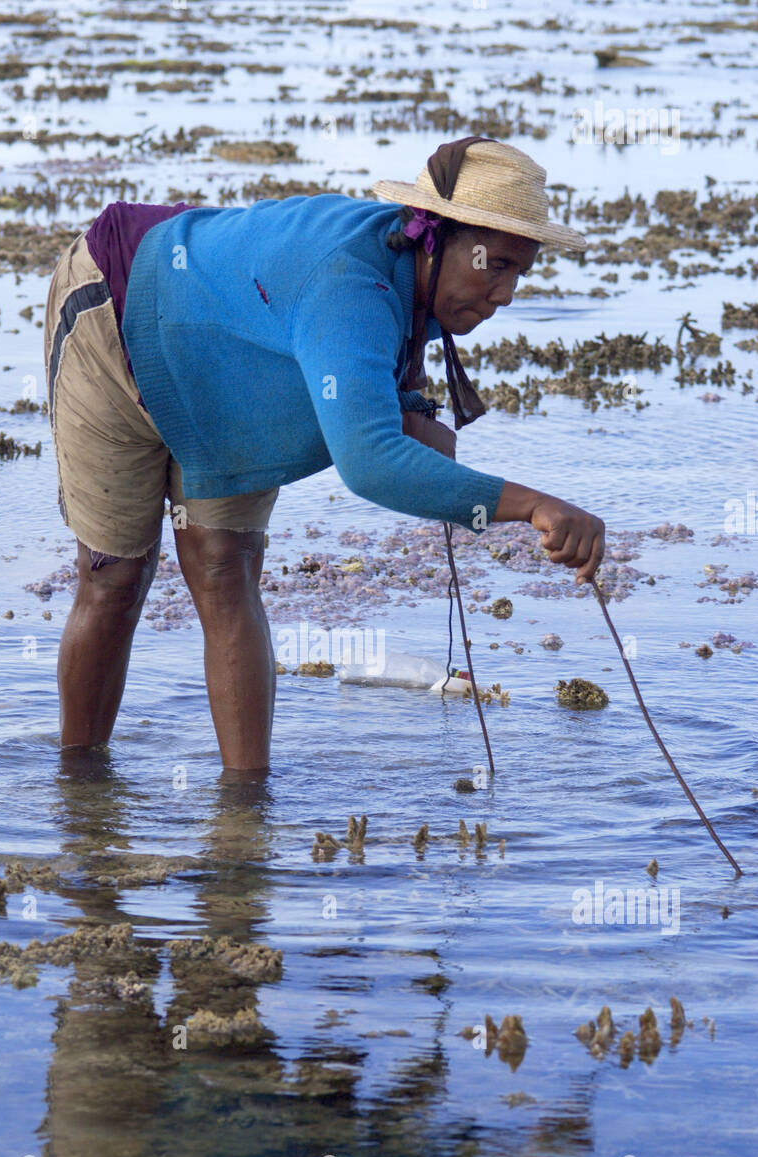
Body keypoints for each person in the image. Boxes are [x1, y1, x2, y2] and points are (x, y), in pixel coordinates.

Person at [43, 135, 604, 770]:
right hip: (119, 310)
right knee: (114, 575)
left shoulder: (405, 275)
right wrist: (534, 507)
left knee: (225, 568)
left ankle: (246, 812)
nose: (505, 295)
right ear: (433, 236)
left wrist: (411, 409)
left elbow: (374, 394)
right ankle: (80, 796)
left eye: (519, 273)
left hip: (229, 361)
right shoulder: (349, 283)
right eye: (495, 265)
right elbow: (371, 464)